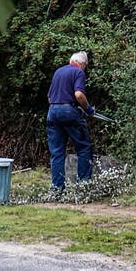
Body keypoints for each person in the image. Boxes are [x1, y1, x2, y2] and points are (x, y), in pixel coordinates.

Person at [46, 51, 95, 193]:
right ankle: (83, 186)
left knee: (57, 152)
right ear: (83, 64)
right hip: (68, 111)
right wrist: (88, 109)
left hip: (52, 111)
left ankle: (57, 189)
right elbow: (79, 94)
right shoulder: (78, 73)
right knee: (84, 147)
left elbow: (50, 97)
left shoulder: (58, 72)